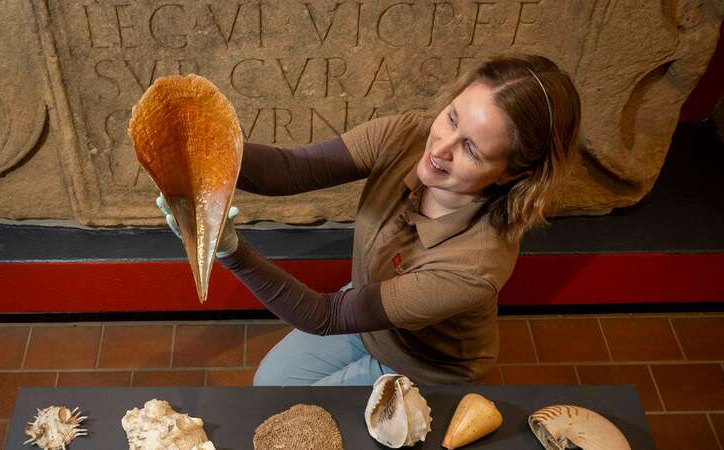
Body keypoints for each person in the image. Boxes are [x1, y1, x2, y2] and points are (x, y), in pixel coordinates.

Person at [157, 54, 582, 386]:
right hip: (367, 304)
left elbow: (325, 315)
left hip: (425, 364)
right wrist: (204, 147)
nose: (440, 148)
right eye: (451, 118)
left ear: (512, 174)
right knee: (271, 382)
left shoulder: (474, 268)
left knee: (309, 411)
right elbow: (292, 169)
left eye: (472, 150)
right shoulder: (409, 134)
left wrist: (229, 249)